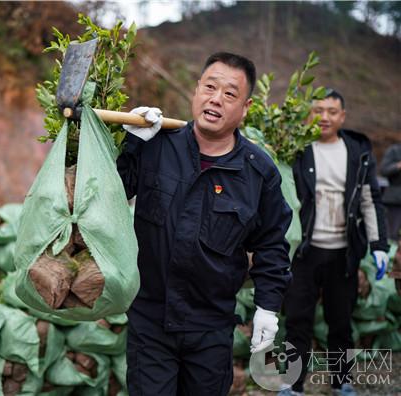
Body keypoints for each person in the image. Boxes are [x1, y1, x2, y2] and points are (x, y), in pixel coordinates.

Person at [116, 52, 292, 396]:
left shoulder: (258, 173)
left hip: (210, 328)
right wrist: (131, 143)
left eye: (230, 94)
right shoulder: (157, 146)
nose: (216, 98)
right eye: (210, 87)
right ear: (196, 91)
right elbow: (111, 195)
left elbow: (272, 245)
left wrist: (268, 309)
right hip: (151, 321)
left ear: (245, 107)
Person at [279, 90, 390, 396]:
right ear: (309, 115)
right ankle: (292, 383)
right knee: (297, 321)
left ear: (342, 116)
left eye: (331, 111)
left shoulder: (356, 152)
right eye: (317, 110)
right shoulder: (297, 149)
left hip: (343, 253)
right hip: (304, 252)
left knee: (340, 322)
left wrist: (379, 246)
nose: (324, 117)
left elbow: (370, 201)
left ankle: (342, 382)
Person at [381, 143, 401, 239]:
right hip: (395, 200)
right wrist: (398, 166)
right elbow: (384, 170)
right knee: (392, 236)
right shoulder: (394, 150)